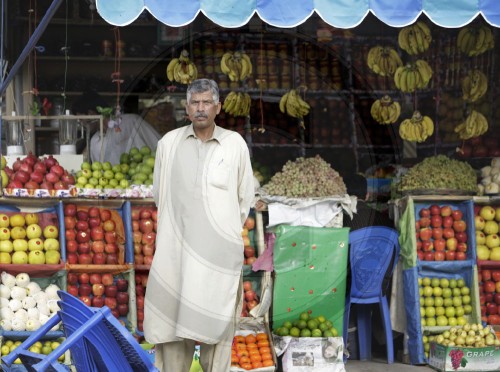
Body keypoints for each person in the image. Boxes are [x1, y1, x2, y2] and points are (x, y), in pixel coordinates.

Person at [143, 79, 255, 371]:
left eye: (207, 102)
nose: (201, 108)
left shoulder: (234, 145)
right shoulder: (168, 143)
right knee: (173, 335)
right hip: (176, 256)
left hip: (217, 260)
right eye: (195, 102)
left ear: (218, 107)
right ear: (186, 108)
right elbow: (160, 194)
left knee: (217, 336)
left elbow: (244, 199)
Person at [71, 91, 162, 164]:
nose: (81, 123)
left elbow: (160, 146)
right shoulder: (94, 141)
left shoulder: (130, 122)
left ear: (91, 114)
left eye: (81, 119)